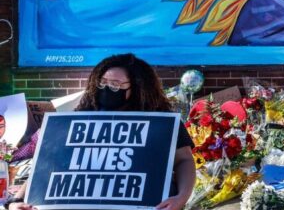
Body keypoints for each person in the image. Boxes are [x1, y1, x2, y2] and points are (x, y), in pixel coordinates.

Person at [6, 54, 196, 210]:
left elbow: (184, 160)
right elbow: (48, 163)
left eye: (115, 85)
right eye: (102, 82)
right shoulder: (78, 120)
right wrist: (17, 201)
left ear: (138, 88)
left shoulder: (160, 121)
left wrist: (181, 198)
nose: (107, 89)